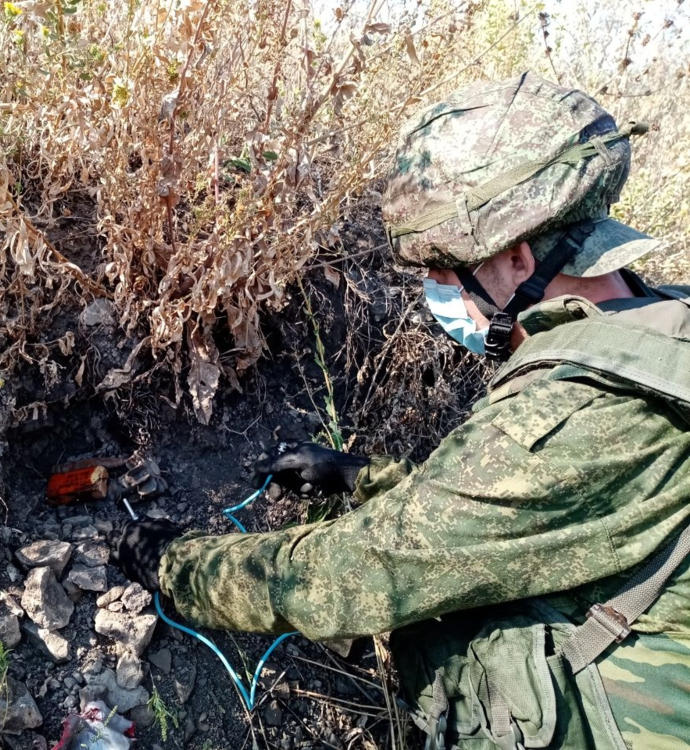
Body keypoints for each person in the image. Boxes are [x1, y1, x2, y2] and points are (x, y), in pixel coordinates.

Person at [109, 73, 690, 750]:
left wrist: (174, 566)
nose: (437, 296)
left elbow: (344, 579)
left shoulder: (577, 411)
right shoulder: (658, 326)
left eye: (444, 276)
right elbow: (539, 509)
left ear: (516, 256)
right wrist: (365, 479)